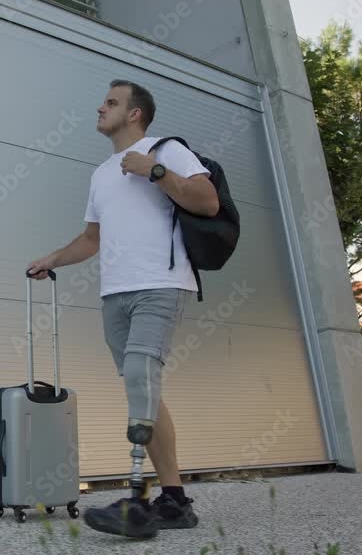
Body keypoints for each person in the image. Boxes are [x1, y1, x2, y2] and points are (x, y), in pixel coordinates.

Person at [26, 79, 219, 539]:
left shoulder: (166, 150)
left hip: (161, 283)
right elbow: (91, 238)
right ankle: (175, 501)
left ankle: (137, 499)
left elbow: (208, 202)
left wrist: (155, 171)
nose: (101, 107)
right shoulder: (100, 174)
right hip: (115, 294)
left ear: (135, 113)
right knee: (142, 389)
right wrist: (53, 259)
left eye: (111, 102)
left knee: (139, 377)